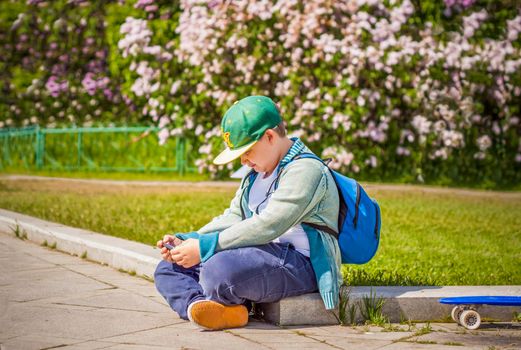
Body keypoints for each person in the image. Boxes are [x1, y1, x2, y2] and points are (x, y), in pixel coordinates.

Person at [154, 95, 342, 330]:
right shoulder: (255, 174)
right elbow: (234, 217)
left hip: (301, 264)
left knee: (218, 271)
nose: (243, 160)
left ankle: (221, 301)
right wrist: (190, 240)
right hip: (259, 253)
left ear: (270, 137)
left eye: (247, 151)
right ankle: (203, 307)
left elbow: (269, 225)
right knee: (168, 268)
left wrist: (204, 248)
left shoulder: (306, 170)